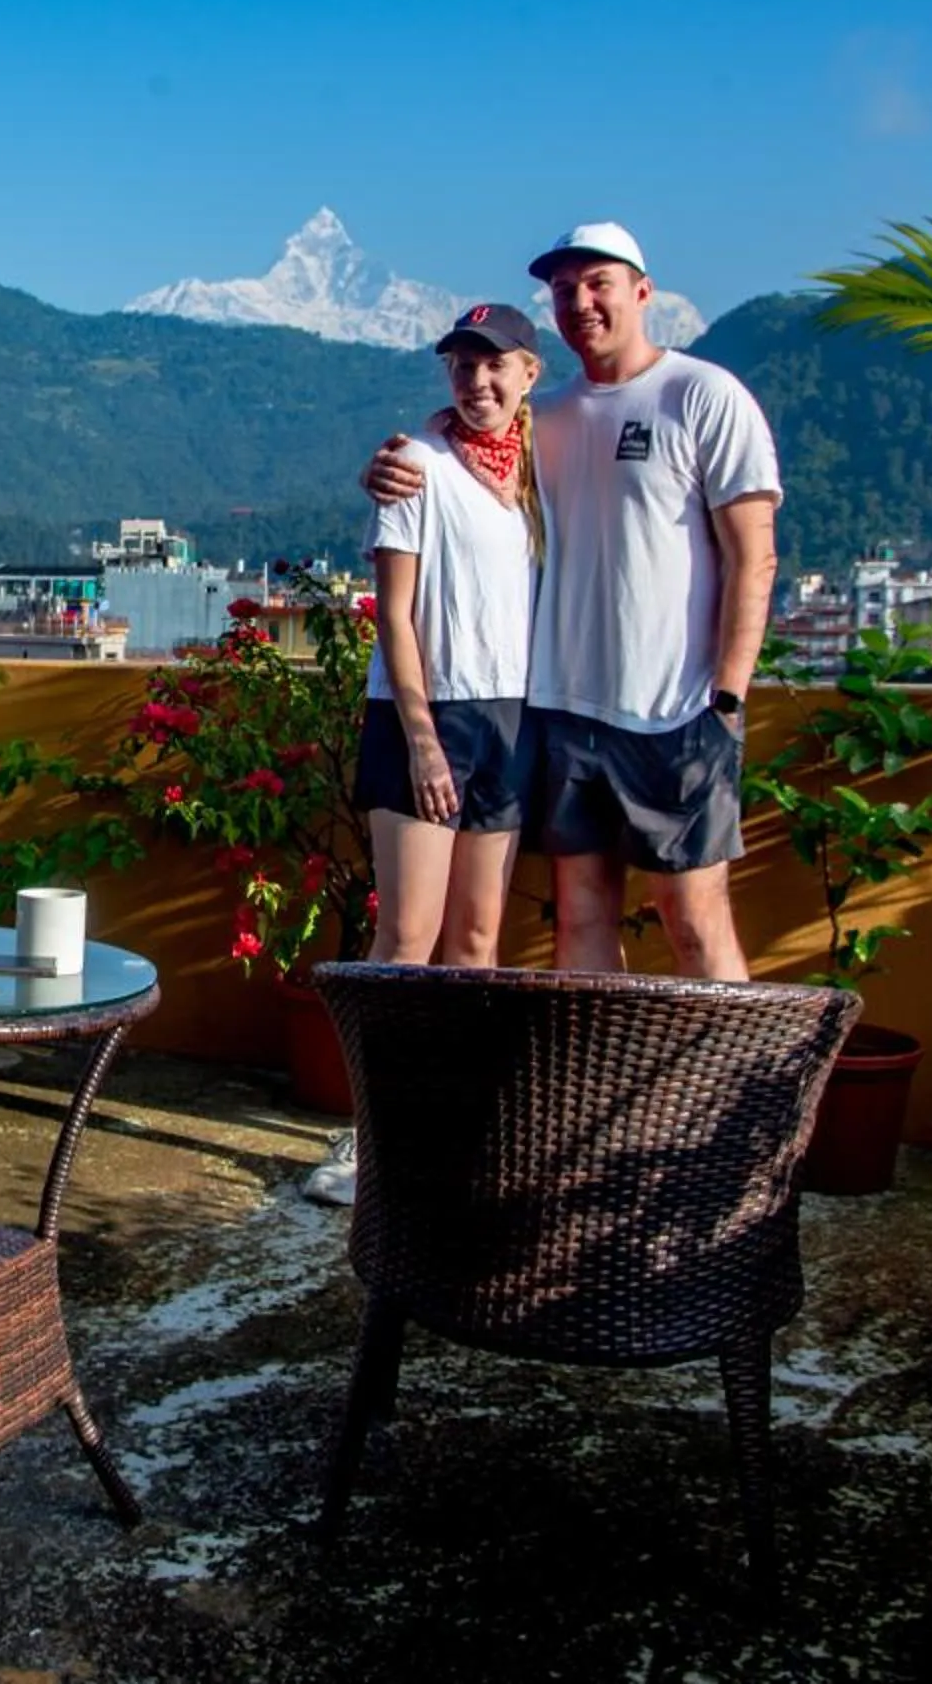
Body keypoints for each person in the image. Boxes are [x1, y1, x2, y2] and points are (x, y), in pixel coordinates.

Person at [364, 221, 780, 981]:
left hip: (676, 715)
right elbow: (461, 439)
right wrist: (394, 463)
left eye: (599, 284)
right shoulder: (542, 416)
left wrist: (727, 697)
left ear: (643, 292)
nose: (581, 301)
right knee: (581, 920)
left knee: (694, 923)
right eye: (564, 290)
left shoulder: (704, 395)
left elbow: (756, 557)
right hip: (564, 719)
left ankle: (726, 1102)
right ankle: (591, 1096)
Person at [306, 302, 544, 1208]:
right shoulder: (415, 467)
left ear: (528, 374)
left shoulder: (540, 473)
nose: (476, 383)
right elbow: (394, 616)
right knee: (406, 939)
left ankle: (447, 1129)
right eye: (460, 366)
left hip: (511, 718)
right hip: (422, 716)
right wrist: (422, 738)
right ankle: (368, 1135)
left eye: (494, 367)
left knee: (477, 941)